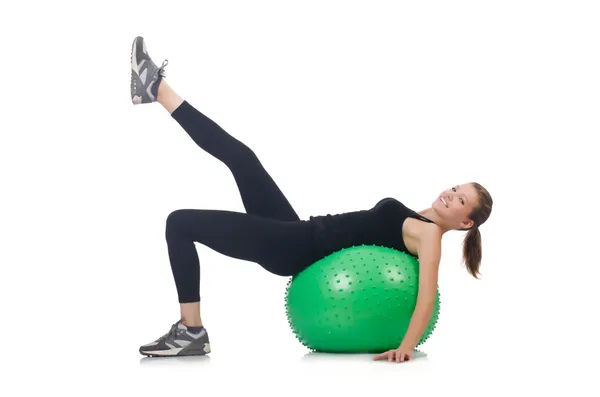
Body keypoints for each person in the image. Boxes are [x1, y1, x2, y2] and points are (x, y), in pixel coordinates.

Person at [130, 36, 493, 362]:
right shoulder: (420, 215)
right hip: (301, 231)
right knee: (243, 158)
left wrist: (407, 347)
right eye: (456, 188)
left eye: (461, 201)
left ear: (466, 223)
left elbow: (427, 298)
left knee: (179, 222)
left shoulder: (429, 235)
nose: (451, 194)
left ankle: (191, 331)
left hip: (294, 248)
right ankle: (156, 89)